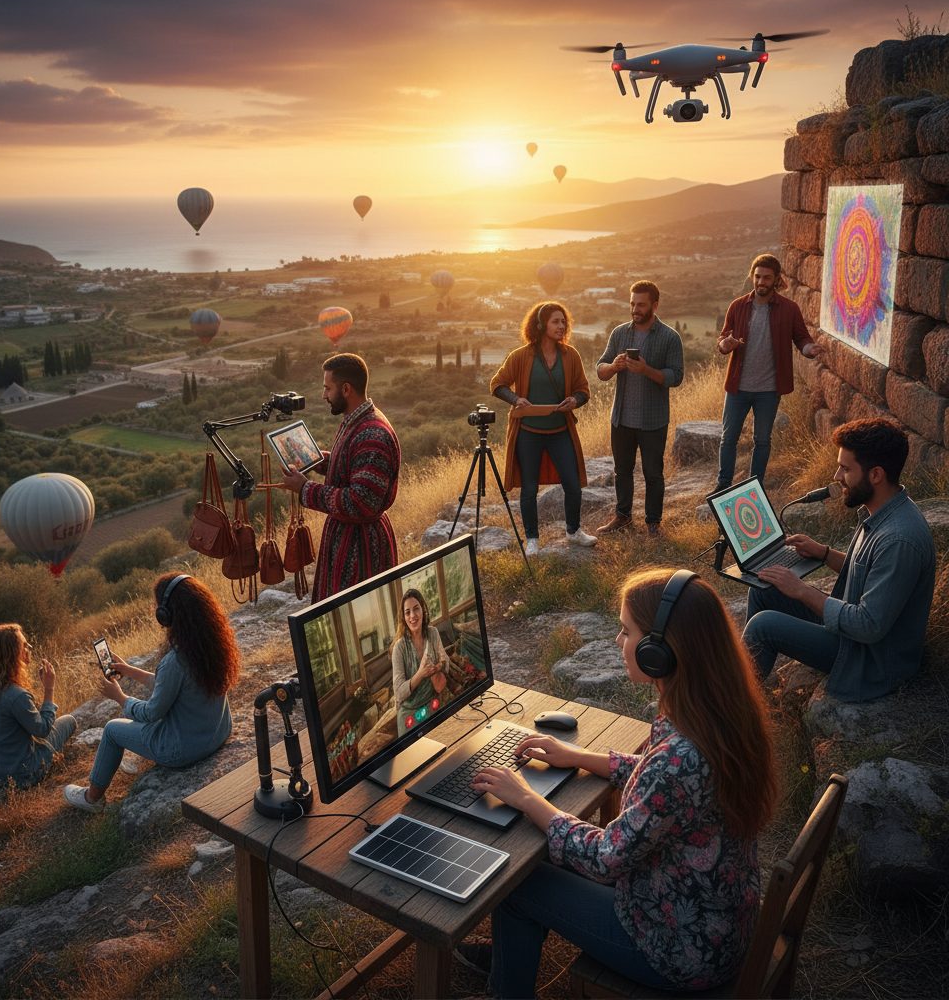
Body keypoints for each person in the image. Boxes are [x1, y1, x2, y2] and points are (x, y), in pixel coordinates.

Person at [463, 569, 777, 996]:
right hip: (717, 921)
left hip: (678, 950)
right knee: (537, 864)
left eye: (626, 631)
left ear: (659, 652)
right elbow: (660, 784)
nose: (617, 641)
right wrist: (577, 756)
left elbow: (607, 858)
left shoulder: (680, 755)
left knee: (517, 883)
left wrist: (526, 798)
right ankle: (509, 956)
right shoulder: (716, 710)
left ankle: (506, 986)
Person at [743, 418, 936, 701]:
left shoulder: (899, 539)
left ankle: (728, 709)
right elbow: (871, 571)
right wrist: (823, 554)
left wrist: (801, 590)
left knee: (763, 625)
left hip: (870, 661)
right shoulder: (883, 512)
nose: (836, 477)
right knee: (763, 593)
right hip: (855, 635)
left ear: (876, 475)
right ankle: (749, 683)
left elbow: (867, 625)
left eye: (845, 469)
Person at [63, 573, 240, 811]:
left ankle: (91, 798)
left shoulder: (174, 661)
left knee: (113, 729)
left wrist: (120, 698)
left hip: (184, 750)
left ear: (166, 615)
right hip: (217, 734)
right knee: (140, 728)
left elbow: (153, 712)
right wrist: (129, 670)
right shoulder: (212, 642)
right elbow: (176, 685)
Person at [281, 353, 401, 602]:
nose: (324, 395)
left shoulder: (372, 434)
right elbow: (352, 466)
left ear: (346, 389)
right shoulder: (357, 421)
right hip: (348, 538)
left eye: (328, 388)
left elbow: (361, 502)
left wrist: (305, 489)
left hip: (361, 549)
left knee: (357, 622)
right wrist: (316, 460)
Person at [711, 253, 824, 495]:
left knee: (762, 441)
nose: (761, 281)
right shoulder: (737, 306)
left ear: (776, 280)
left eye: (767, 278)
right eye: (757, 276)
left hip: (769, 390)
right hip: (738, 387)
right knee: (728, 438)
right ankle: (723, 484)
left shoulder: (789, 308)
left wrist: (809, 349)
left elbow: (801, 338)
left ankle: (755, 487)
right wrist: (724, 346)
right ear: (752, 277)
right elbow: (722, 340)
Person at [490, 301, 596, 555]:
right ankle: (532, 540)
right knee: (529, 489)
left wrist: (575, 400)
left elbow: (583, 390)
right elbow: (497, 384)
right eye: (555, 322)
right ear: (540, 325)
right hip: (528, 433)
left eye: (564, 322)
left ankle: (573, 532)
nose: (562, 326)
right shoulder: (520, 356)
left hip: (561, 431)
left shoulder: (571, 355)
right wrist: (515, 399)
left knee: (572, 484)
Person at [596, 280, 684, 538]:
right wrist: (613, 366)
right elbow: (600, 370)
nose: (635, 309)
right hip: (622, 417)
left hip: (653, 420)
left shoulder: (670, 337)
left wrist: (646, 370)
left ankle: (653, 525)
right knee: (622, 471)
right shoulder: (619, 333)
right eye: (632, 304)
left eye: (641, 305)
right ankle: (622, 517)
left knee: (653, 474)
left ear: (654, 305)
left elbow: (676, 377)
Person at [0, 624, 77, 788]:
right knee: (69, 720)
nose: (30, 648)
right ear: (11, 655)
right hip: (22, 774)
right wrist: (49, 688)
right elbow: (42, 730)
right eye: (25, 646)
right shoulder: (16, 695)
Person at [390, 589, 451, 736]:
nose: (413, 616)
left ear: (423, 609)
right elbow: (398, 693)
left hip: (432, 704)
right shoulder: (399, 648)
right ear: (403, 618)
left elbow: (445, 661)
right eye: (407, 612)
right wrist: (420, 674)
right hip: (409, 713)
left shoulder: (433, 633)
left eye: (416, 609)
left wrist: (438, 667)